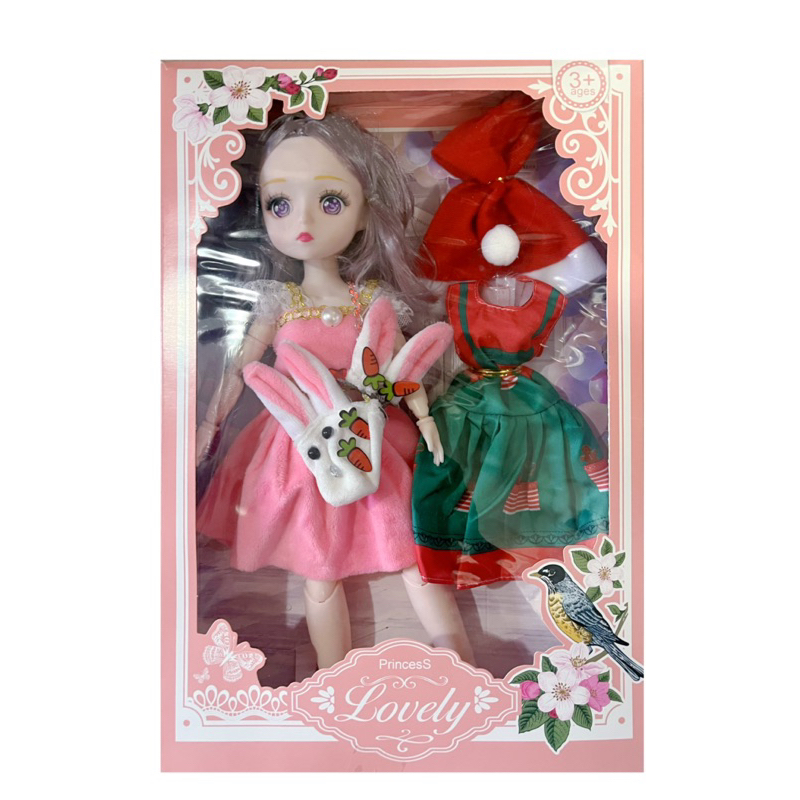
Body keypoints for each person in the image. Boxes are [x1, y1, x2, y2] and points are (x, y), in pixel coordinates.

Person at [196, 112, 474, 669]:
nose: (301, 221)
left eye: (330, 201)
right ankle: (332, 680)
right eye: (279, 204)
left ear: (365, 209)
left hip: (368, 439)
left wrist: (424, 420)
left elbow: (400, 370)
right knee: (318, 573)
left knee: (411, 558)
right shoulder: (279, 302)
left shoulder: (371, 300)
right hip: (299, 445)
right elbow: (242, 366)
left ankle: (464, 665)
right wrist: (208, 424)